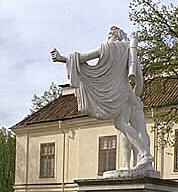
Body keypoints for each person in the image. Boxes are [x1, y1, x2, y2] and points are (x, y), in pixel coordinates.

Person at [51, 26, 154, 172]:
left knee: (120, 124)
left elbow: (83, 58)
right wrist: (135, 96)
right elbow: (139, 80)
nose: (108, 37)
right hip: (127, 93)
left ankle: (144, 154)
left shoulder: (107, 48)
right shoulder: (129, 50)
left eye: (109, 34)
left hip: (116, 93)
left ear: (114, 36)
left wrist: (62, 59)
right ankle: (129, 163)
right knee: (126, 127)